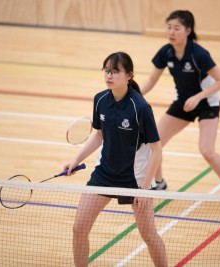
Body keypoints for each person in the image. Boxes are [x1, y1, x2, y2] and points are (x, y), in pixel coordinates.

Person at [64, 52, 168, 267]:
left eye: (115, 71)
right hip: (104, 174)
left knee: (148, 235)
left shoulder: (140, 108)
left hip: (135, 180)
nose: (109, 76)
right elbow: (99, 135)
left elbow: (156, 150)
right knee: (79, 228)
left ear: (128, 75)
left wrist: (145, 188)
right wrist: (75, 160)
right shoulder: (100, 99)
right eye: (107, 71)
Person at [140, 10, 220, 214]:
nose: (171, 32)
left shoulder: (199, 54)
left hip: (207, 103)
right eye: (168, 27)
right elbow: (151, 80)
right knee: (155, 141)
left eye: (176, 28)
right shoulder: (166, 52)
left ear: (187, 30)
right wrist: (131, 96)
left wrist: (199, 97)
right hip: (184, 103)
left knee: (206, 150)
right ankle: (159, 183)